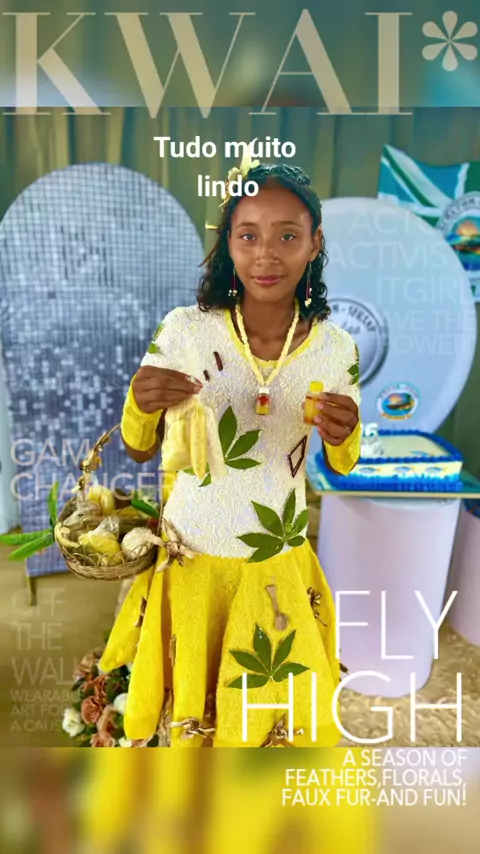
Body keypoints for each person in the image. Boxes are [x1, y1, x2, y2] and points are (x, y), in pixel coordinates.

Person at [98, 159, 361, 747]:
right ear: (229, 243)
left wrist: (346, 435)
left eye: (287, 236)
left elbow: (344, 464)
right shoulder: (186, 331)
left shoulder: (337, 348)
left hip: (276, 559)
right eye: (248, 235)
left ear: (315, 243)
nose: (266, 255)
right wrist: (139, 403)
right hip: (192, 555)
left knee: (271, 721)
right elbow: (139, 450)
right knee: (193, 719)